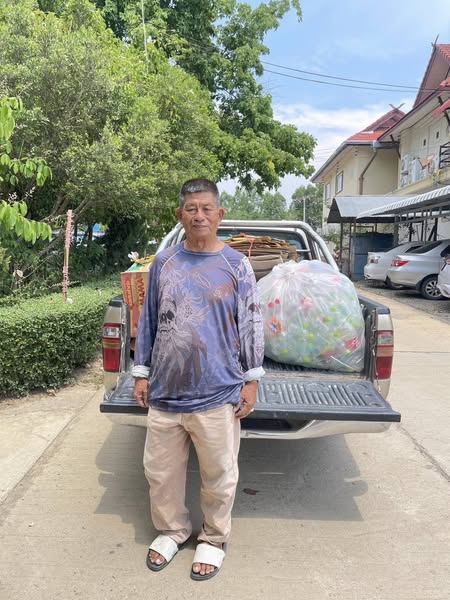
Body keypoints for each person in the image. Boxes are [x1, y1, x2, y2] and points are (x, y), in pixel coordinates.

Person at [133, 178, 265, 581]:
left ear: (220, 214)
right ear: (180, 215)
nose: (199, 216)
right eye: (191, 209)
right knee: (160, 473)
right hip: (166, 392)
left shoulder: (236, 265)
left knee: (219, 474)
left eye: (207, 208)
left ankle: (213, 537)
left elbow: (251, 323)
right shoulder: (164, 263)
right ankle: (172, 530)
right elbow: (149, 319)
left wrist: (251, 380)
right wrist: (141, 373)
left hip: (217, 390)